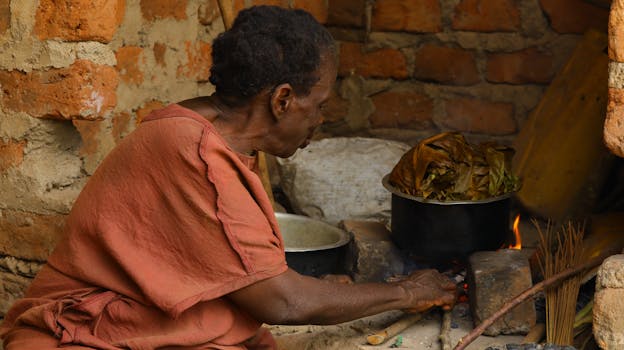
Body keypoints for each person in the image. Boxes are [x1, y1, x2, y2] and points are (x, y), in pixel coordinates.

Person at [0, 6, 456, 349]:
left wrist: (322, 288)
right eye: (318, 105)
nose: (322, 118)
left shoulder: (215, 135)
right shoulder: (193, 152)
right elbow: (282, 303)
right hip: (73, 339)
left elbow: (219, 261)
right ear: (281, 100)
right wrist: (403, 293)